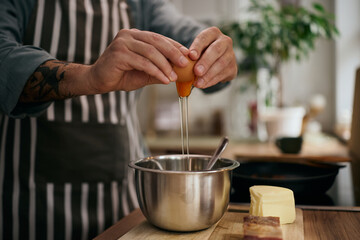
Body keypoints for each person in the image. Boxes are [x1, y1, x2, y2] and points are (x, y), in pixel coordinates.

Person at [0, 0, 237, 239]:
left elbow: (184, 35)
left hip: (125, 200)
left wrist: (213, 52)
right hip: (31, 205)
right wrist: (89, 77)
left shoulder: (140, 4)